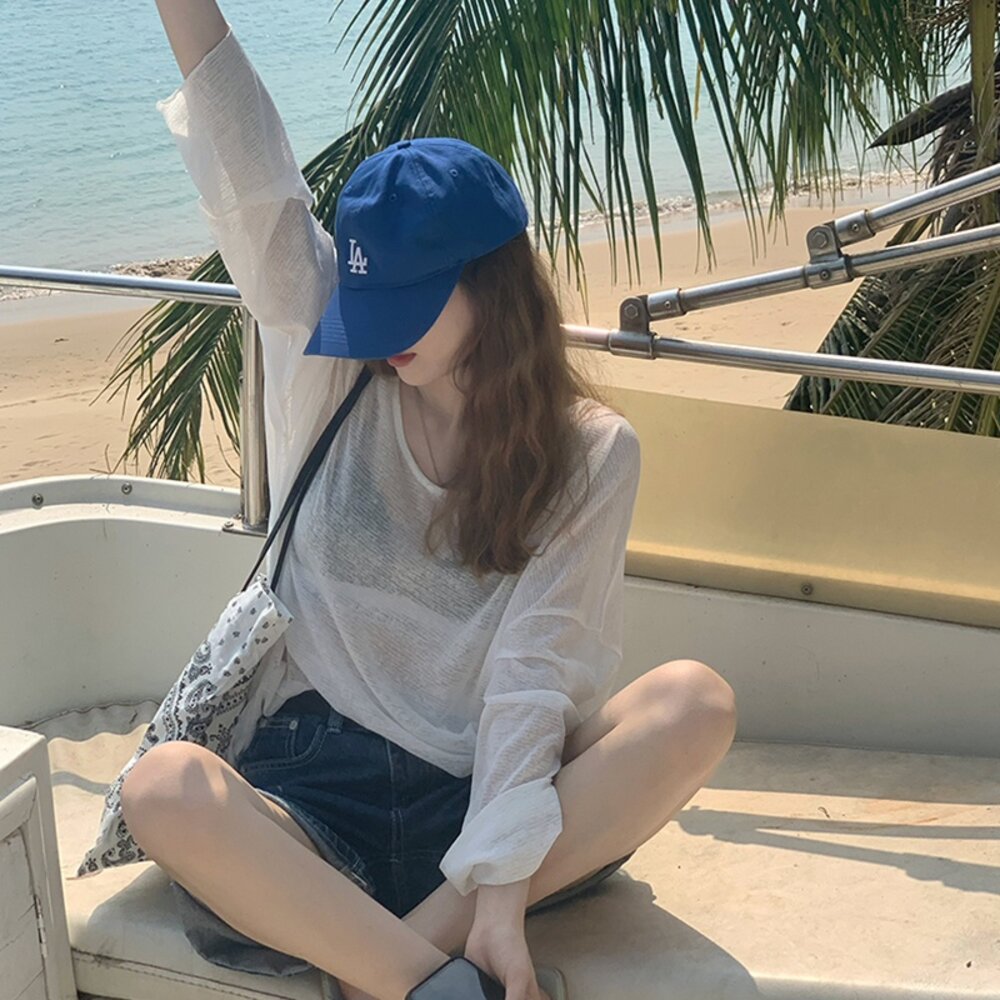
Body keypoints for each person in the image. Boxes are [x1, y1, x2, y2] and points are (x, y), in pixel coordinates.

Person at [120, 4, 738, 1000]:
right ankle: (428, 980)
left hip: (482, 797)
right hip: (315, 792)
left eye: (408, 302)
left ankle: (396, 958)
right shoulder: (334, 363)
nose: (382, 334)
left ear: (491, 282)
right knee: (163, 788)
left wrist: (497, 892)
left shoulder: (590, 453)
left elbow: (533, 679)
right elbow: (253, 179)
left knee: (693, 704)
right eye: (370, 303)